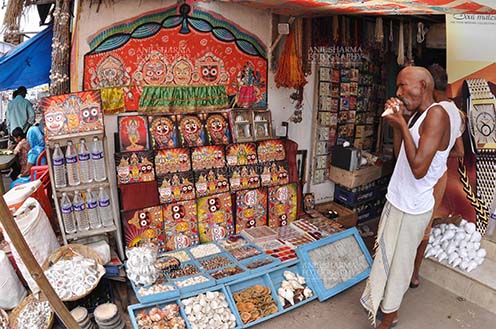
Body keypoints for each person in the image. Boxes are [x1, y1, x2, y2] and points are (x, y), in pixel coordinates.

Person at [360, 66, 461, 329]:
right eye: (398, 86)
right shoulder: (419, 114)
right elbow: (400, 155)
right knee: (386, 257)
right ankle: (384, 307)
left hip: (414, 206)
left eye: (405, 86)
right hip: (399, 198)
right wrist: (400, 121)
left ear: (424, 86)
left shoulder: (437, 115)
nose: (399, 92)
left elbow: (418, 169)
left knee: (400, 265)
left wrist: (402, 123)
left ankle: (389, 318)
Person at [410, 64, 465, 288]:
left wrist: (432, 155)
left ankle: (405, 271)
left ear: (428, 85)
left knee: (414, 224)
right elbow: (459, 151)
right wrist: (441, 155)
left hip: (425, 177)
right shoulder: (456, 112)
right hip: (439, 177)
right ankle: (415, 273)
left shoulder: (434, 112)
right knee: (425, 226)